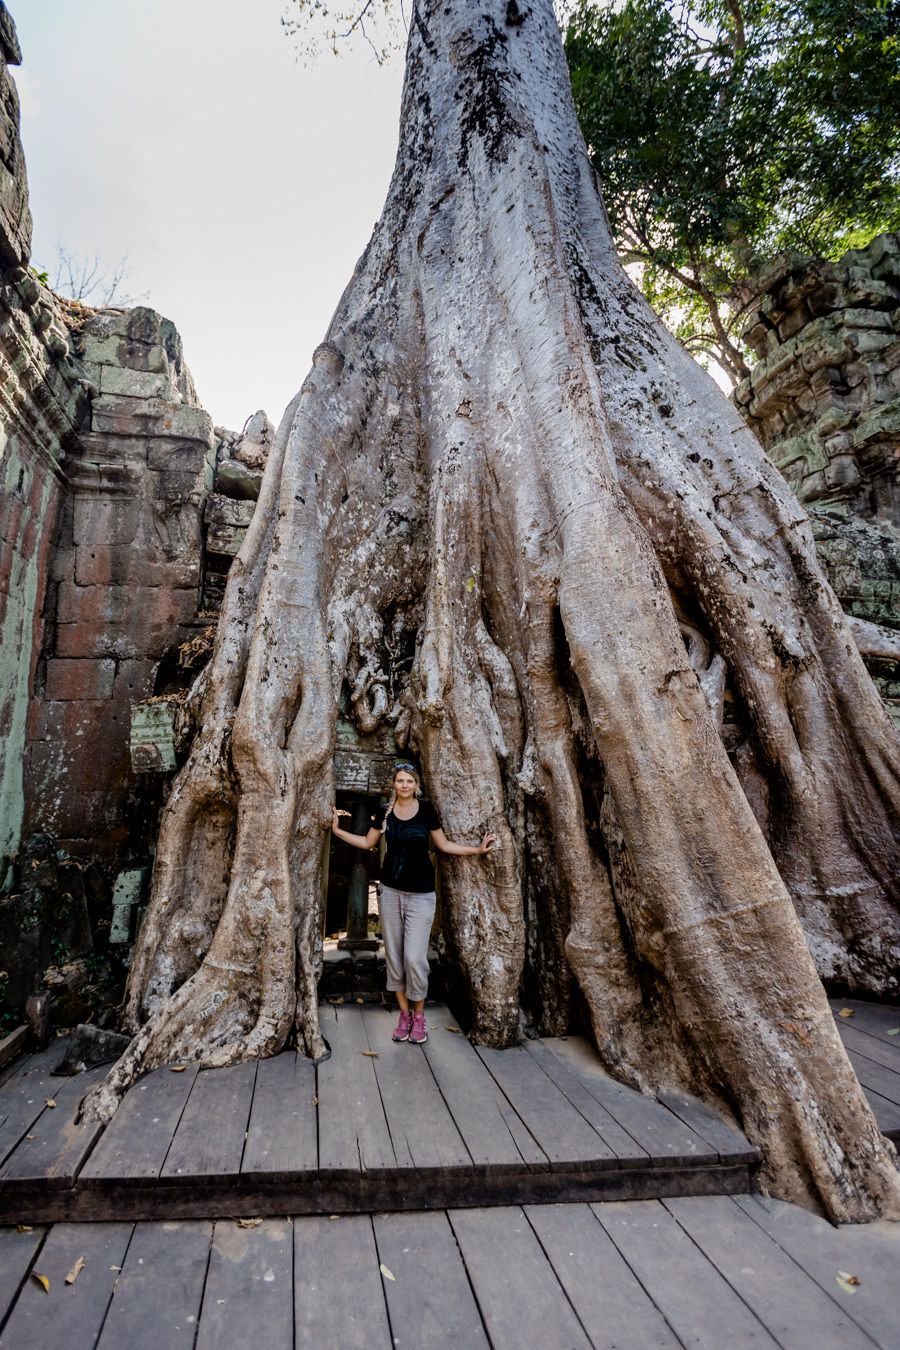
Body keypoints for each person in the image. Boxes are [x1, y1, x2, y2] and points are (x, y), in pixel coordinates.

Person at [331, 762, 496, 1044]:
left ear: (416, 784)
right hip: (390, 893)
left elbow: (444, 845)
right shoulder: (384, 811)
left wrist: (477, 850)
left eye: (409, 781)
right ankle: (404, 1015)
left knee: (415, 958)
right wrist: (337, 831)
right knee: (394, 957)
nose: (405, 785)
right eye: (400, 780)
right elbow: (367, 842)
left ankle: (419, 1016)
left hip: (421, 895)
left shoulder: (427, 810)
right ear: (394, 784)